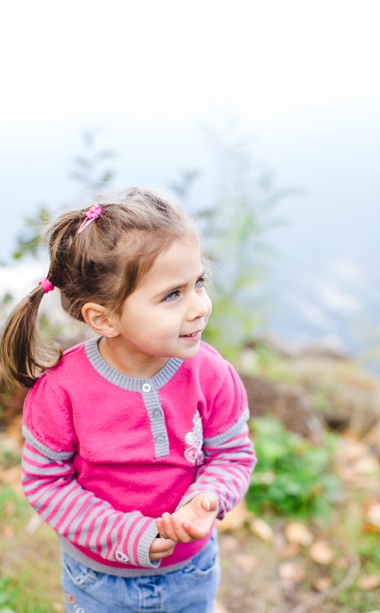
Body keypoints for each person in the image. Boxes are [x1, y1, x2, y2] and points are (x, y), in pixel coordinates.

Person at [0, 189, 258, 611]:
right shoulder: (62, 391)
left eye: (198, 283)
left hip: (190, 572)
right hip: (98, 581)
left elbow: (232, 454)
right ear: (104, 318)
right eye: (172, 295)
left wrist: (206, 498)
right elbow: (47, 483)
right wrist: (126, 535)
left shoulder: (211, 374)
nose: (199, 307)